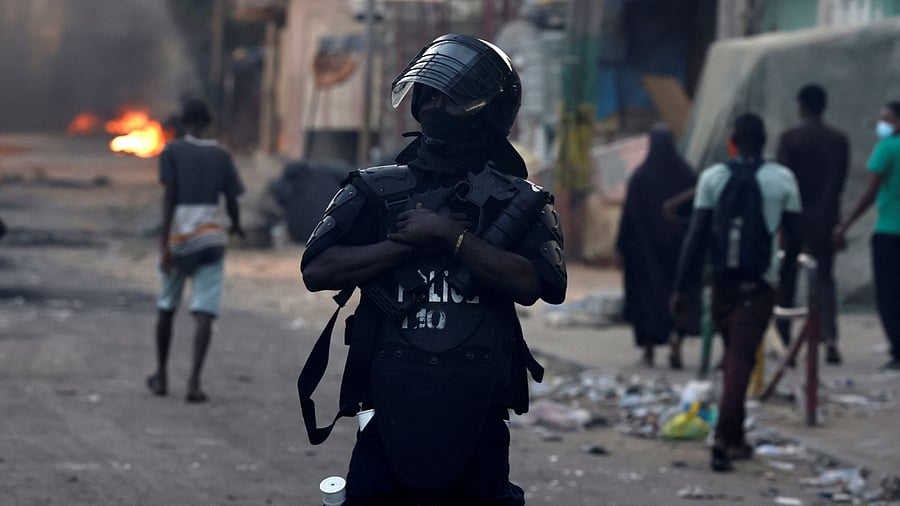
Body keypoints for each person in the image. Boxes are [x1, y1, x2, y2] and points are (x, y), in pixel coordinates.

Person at [299, 34, 566, 505]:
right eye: (432, 95)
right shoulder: (375, 190)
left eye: (453, 99)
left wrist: (452, 238)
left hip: (477, 406)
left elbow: (538, 284)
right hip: (389, 400)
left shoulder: (518, 202)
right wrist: (404, 245)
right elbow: (317, 269)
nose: (438, 106)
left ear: (487, 110)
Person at [671, 113, 802, 472]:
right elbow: (795, 238)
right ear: (764, 143)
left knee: (736, 357)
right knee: (739, 359)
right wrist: (784, 280)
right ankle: (723, 441)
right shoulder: (783, 179)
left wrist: (682, 287)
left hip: (722, 285)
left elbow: (696, 236)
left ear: (732, 142)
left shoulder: (713, 177)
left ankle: (734, 436)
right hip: (758, 286)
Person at [146, 98, 245, 403]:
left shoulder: (172, 150)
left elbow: (169, 196)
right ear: (207, 122)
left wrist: (164, 240)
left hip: (180, 237)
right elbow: (231, 199)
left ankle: (161, 376)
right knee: (205, 310)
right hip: (212, 238)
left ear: (181, 121)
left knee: (167, 305)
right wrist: (236, 226)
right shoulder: (222, 154)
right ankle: (193, 383)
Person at [775, 84, 849, 364]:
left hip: (795, 221)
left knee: (788, 281)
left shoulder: (790, 139)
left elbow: (784, 181)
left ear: (802, 106)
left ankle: (784, 342)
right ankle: (829, 339)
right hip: (827, 219)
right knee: (825, 280)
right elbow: (839, 183)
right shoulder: (839, 140)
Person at [615, 125, 698, 369]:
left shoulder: (640, 177)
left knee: (645, 301)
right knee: (678, 298)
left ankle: (649, 352)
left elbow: (628, 217)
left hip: (643, 255)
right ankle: (676, 340)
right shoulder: (686, 175)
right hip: (677, 253)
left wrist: (620, 246)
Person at [833, 101, 900, 372]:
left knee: (889, 295)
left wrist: (846, 223)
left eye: (886, 118)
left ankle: (898, 350)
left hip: (889, 231)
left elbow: (870, 191)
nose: (881, 124)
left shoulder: (887, 148)